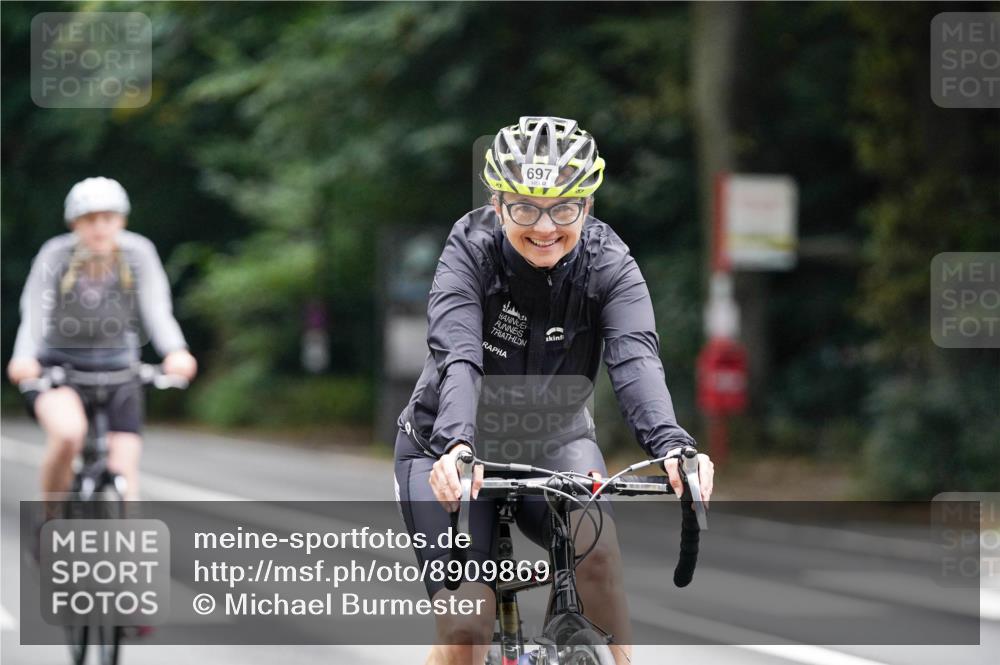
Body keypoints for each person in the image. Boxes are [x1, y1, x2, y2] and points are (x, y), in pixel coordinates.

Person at [394, 116, 715, 665]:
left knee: (599, 559)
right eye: (524, 208)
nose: (545, 227)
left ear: (586, 208)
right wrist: (455, 446)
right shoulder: (469, 252)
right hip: (444, 449)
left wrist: (671, 445)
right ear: (497, 205)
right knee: (468, 625)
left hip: (553, 444)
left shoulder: (609, 264)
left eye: (563, 208)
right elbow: (460, 359)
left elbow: (636, 358)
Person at [7, 176, 197, 506]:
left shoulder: (138, 253)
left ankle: (126, 545)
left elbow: (157, 307)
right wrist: (24, 358)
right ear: (74, 223)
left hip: (120, 372)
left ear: (121, 221)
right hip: (59, 370)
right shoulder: (55, 254)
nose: (99, 228)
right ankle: (48, 523)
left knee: (125, 468)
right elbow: (36, 311)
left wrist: (176, 351)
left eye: (107, 218)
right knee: (68, 435)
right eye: (89, 219)